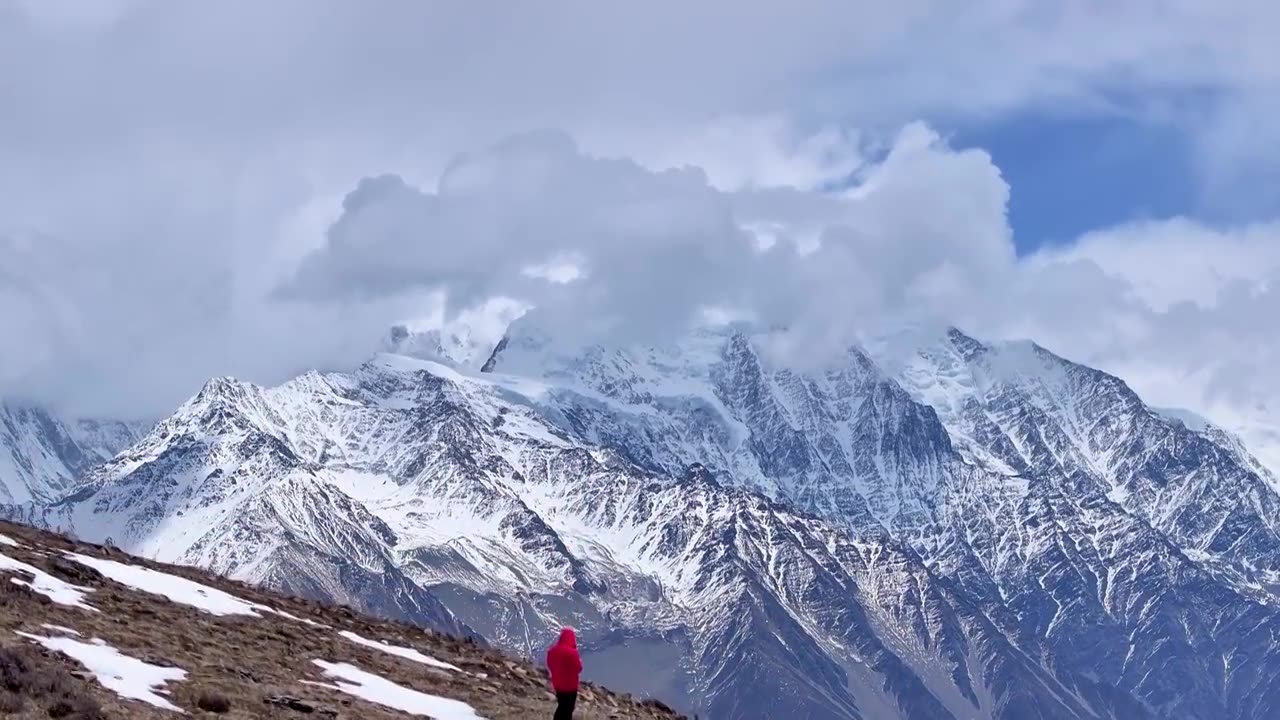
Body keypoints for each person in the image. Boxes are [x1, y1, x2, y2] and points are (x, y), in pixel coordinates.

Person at [545, 626, 582, 719]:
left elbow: (550, 664)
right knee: (568, 708)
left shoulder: (552, 651)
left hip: (557, 684)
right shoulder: (572, 653)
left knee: (562, 705)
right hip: (570, 686)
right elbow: (578, 668)